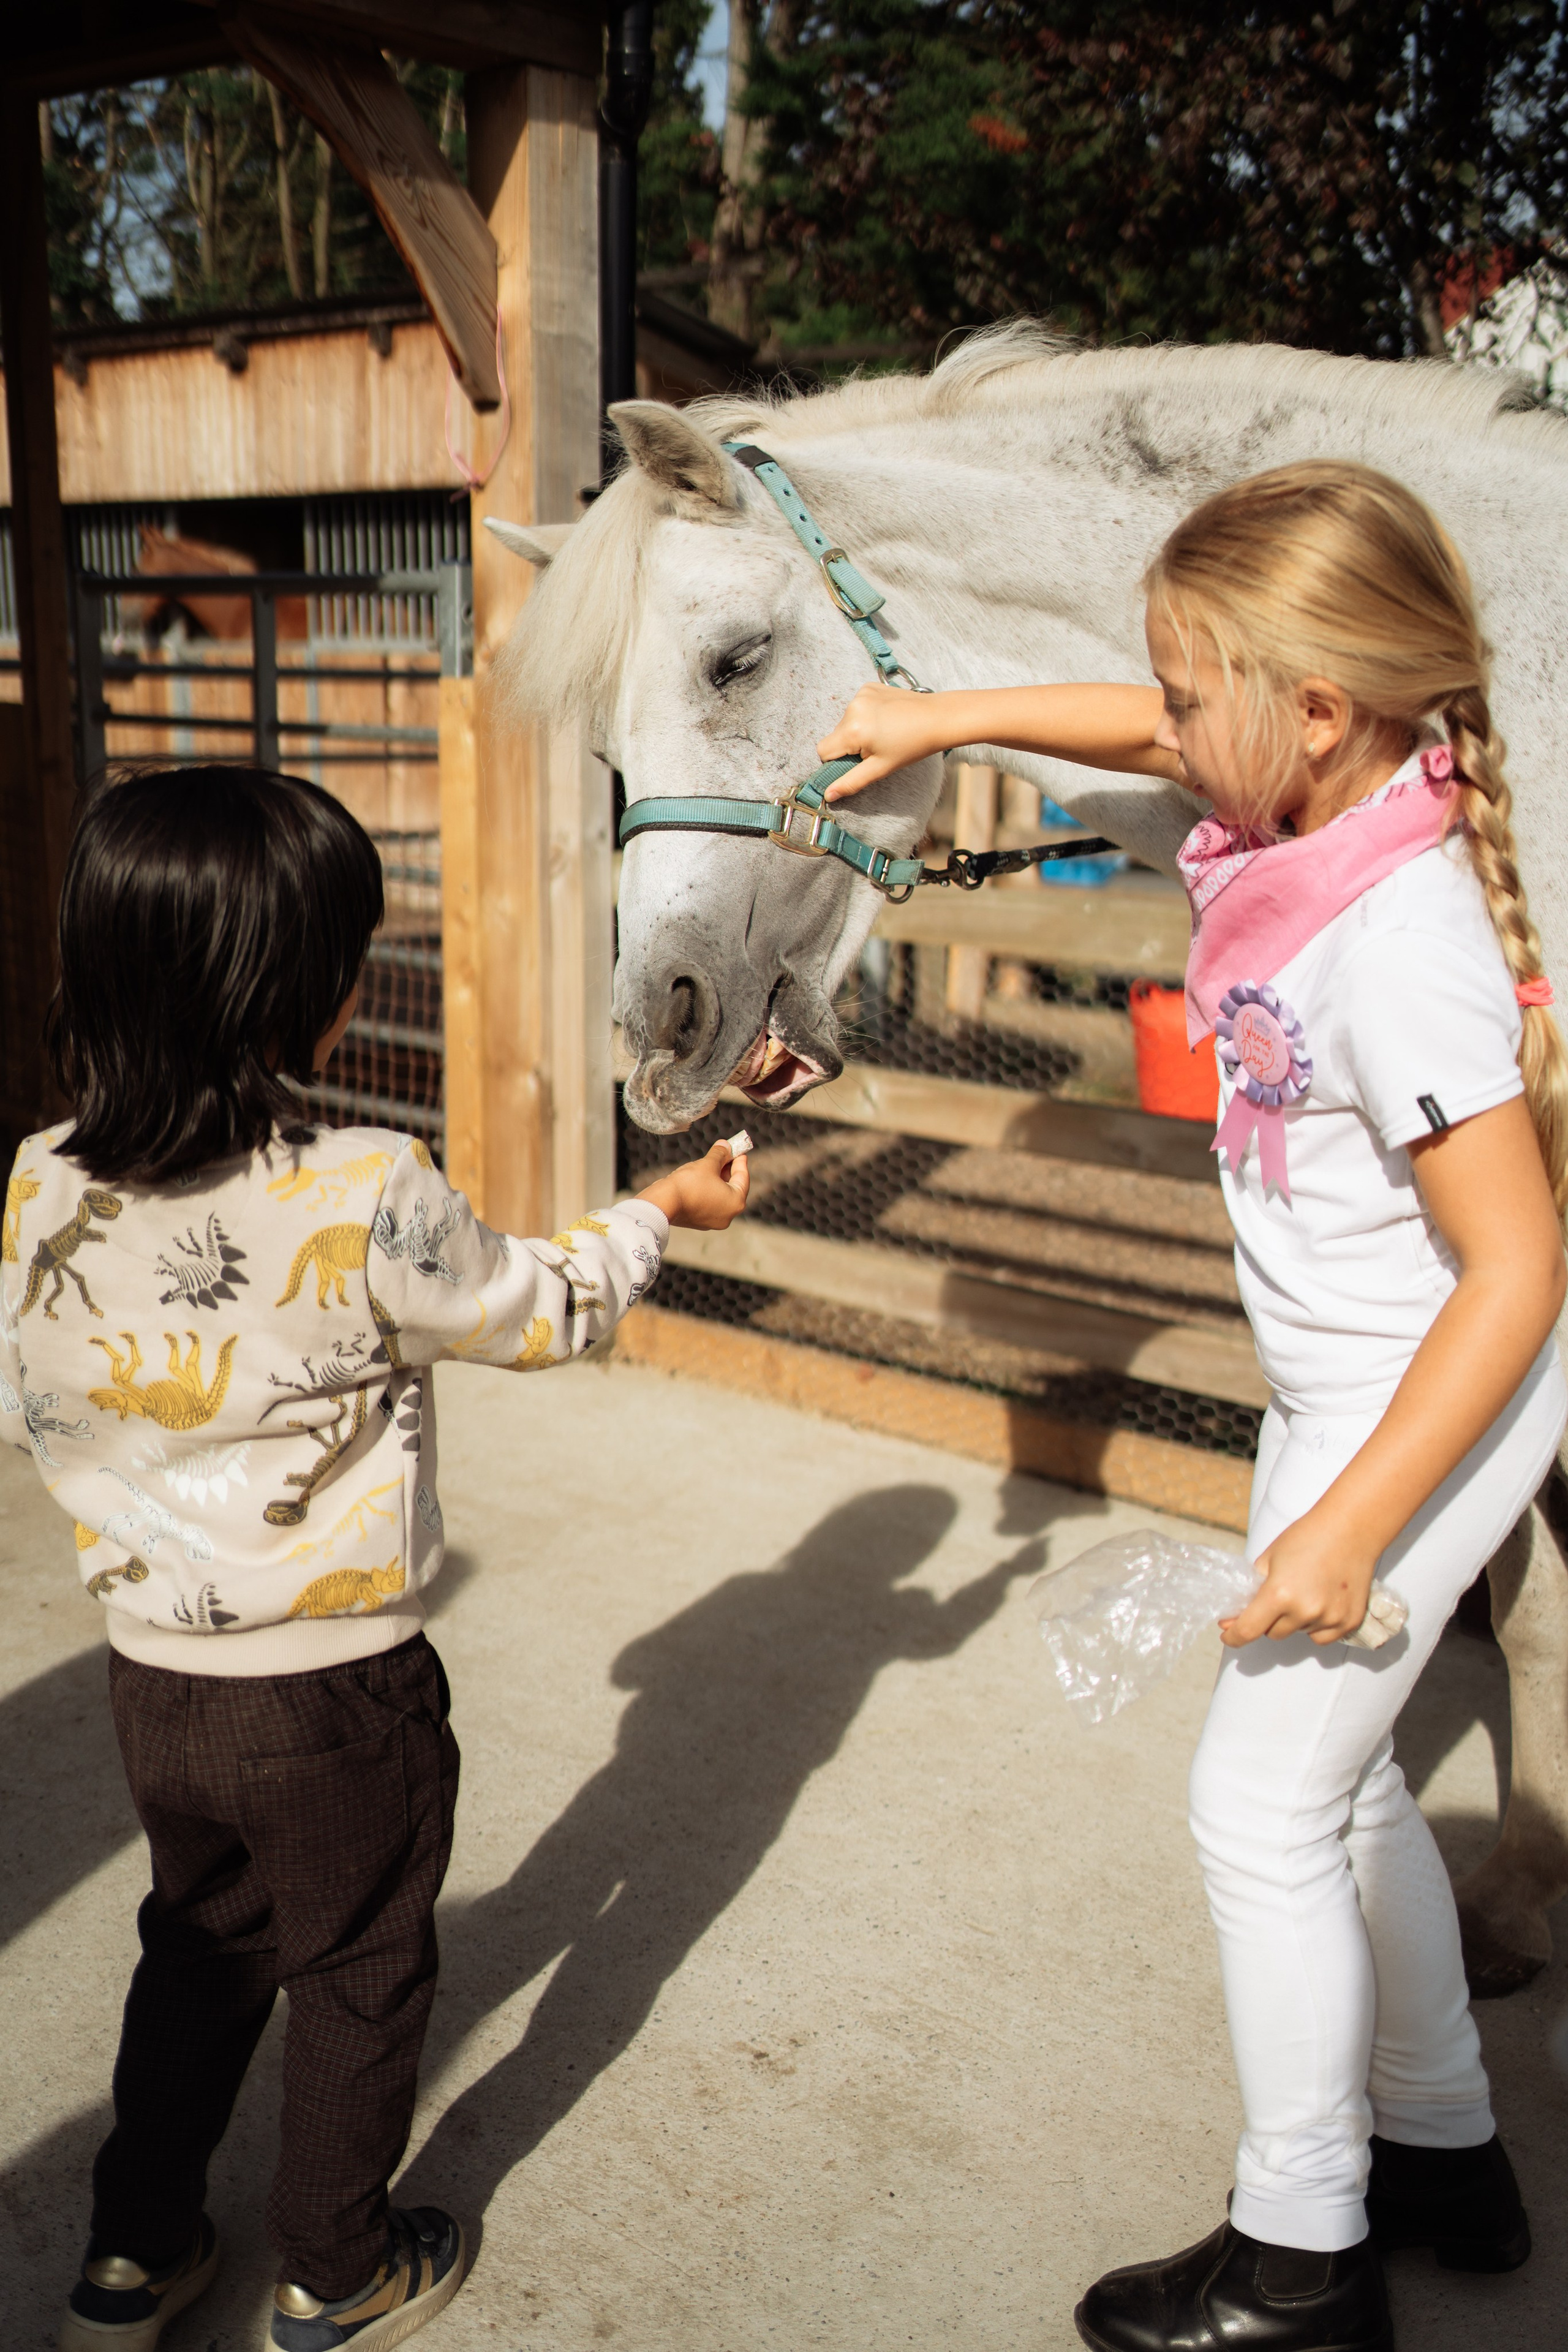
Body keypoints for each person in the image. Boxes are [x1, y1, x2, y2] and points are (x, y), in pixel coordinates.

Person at [816, 461, 1567, 2352]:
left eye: (1185, 694)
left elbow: (1520, 1274)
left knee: (1257, 1807)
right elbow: (1134, 725)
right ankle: (1449, 2157)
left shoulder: (1396, 943)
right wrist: (941, 719)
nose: (1160, 727)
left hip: (1435, 1403)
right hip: (1342, 1390)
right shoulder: (1295, 826)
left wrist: (1350, 1527)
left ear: (1314, 712)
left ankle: (1302, 2261)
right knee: (1348, 1785)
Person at [1, 766, 748, 2352]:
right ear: (305, 997)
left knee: (198, 1946)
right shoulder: (362, 1188)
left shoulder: (42, 1180)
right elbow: (541, 1309)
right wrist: (656, 1212)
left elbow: (27, 1393)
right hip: (336, 1696)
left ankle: (132, 2258)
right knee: (358, 1970)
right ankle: (337, 2269)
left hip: (155, 1686)